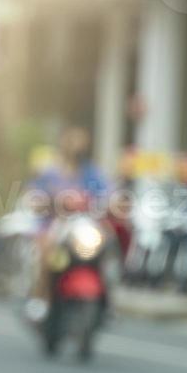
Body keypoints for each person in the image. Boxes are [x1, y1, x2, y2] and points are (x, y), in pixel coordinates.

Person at [24, 126, 111, 320]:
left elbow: (109, 193)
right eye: (73, 141)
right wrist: (43, 201)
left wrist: (116, 202)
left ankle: (109, 300)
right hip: (55, 225)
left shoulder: (92, 172)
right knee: (46, 251)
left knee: (108, 246)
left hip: (83, 227)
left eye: (81, 142)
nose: (77, 147)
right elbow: (33, 195)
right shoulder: (51, 172)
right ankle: (41, 298)